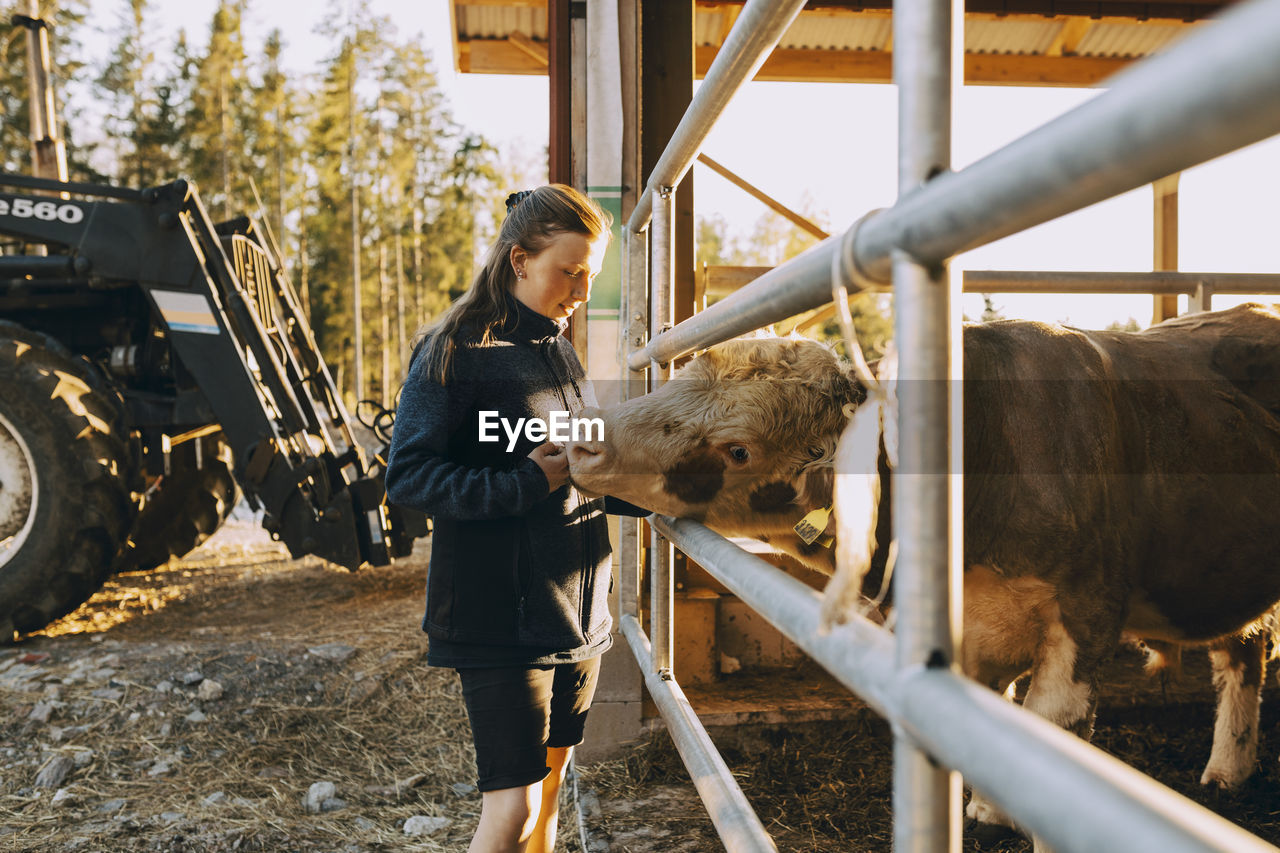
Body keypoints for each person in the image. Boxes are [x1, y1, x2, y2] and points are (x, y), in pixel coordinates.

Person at [386, 184, 642, 853]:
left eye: (590, 271)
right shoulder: (452, 354)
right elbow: (408, 476)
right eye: (570, 269)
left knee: (551, 793)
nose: (582, 287)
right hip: (499, 619)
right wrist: (526, 480)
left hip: (576, 615)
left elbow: (585, 468)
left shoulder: (559, 351)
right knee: (515, 810)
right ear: (520, 260)